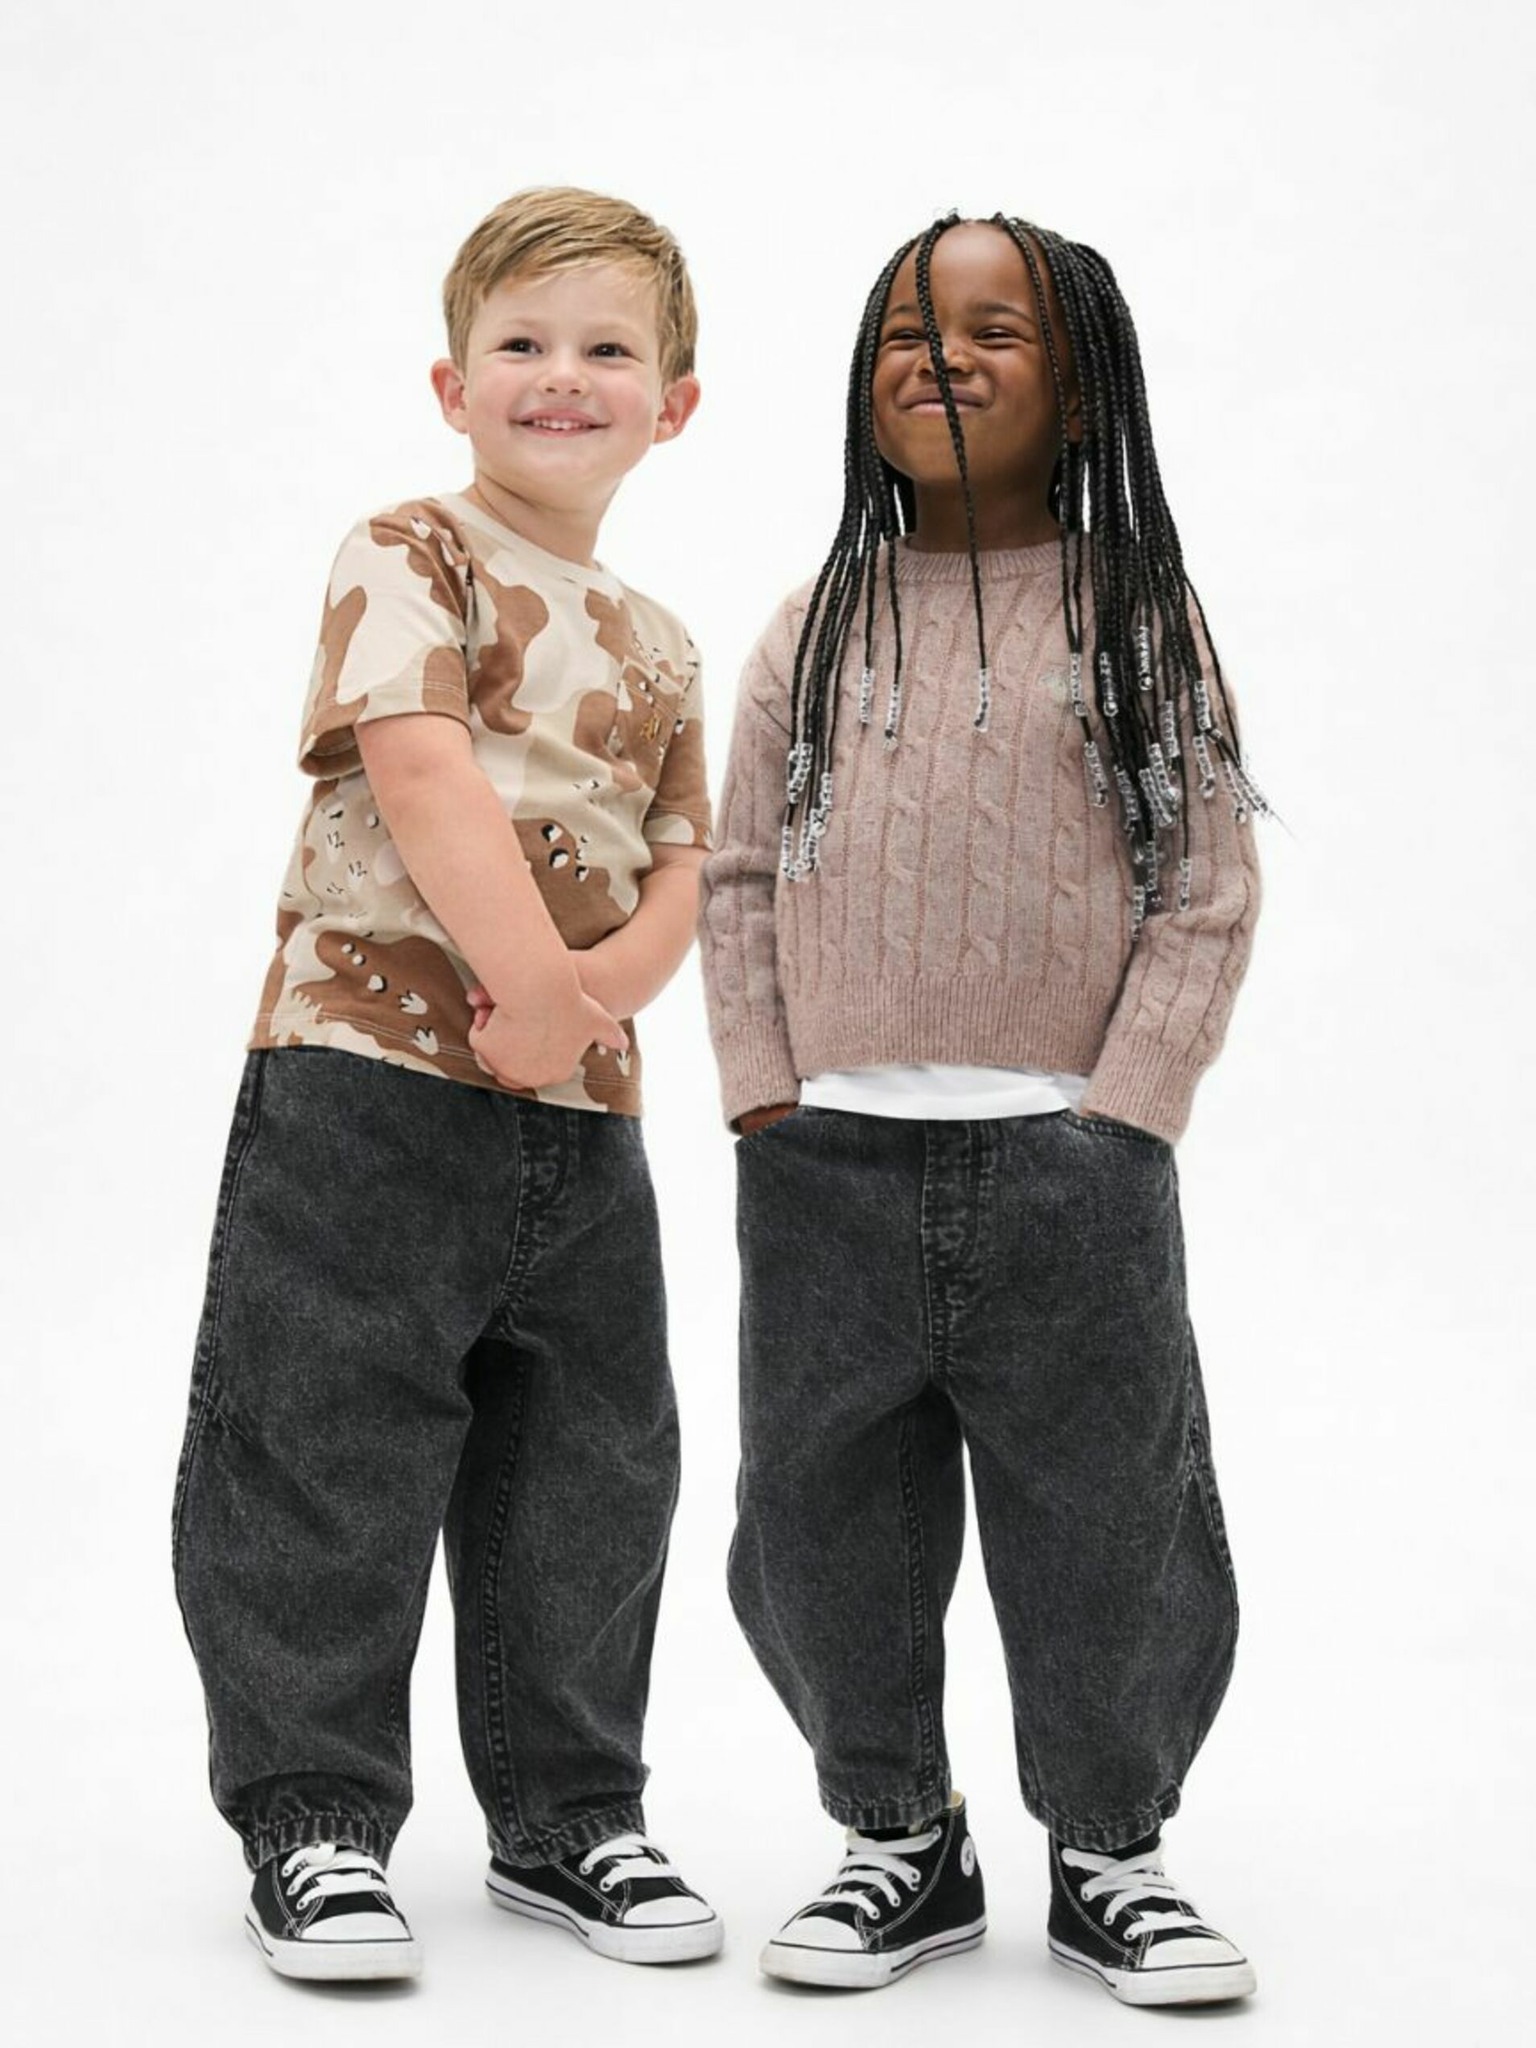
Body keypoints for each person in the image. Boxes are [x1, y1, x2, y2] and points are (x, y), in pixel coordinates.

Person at [698, 212, 1266, 2006]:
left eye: (991, 328)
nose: (937, 357)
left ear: (1081, 390)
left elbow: (1205, 885)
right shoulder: (814, 623)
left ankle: (1111, 1852)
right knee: (818, 1519)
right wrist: (762, 1092)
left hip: (1069, 1162)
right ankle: (900, 1840)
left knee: (1108, 1521)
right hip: (825, 1165)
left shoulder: (1133, 613)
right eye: (901, 332)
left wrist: (1130, 1112)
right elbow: (737, 876)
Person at [172, 186, 722, 1982]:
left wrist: (590, 1004)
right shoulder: (411, 549)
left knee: (593, 1462)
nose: (563, 375)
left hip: (581, 1115)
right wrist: (535, 986)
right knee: (326, 1445)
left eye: (608, 349)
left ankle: (570, 1815)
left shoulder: (662, 641)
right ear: (452, 381)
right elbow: (422, 773)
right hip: (369, 1082)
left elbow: (685, 865)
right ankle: (316, 1819)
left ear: (674, 404)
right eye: (522, 343)